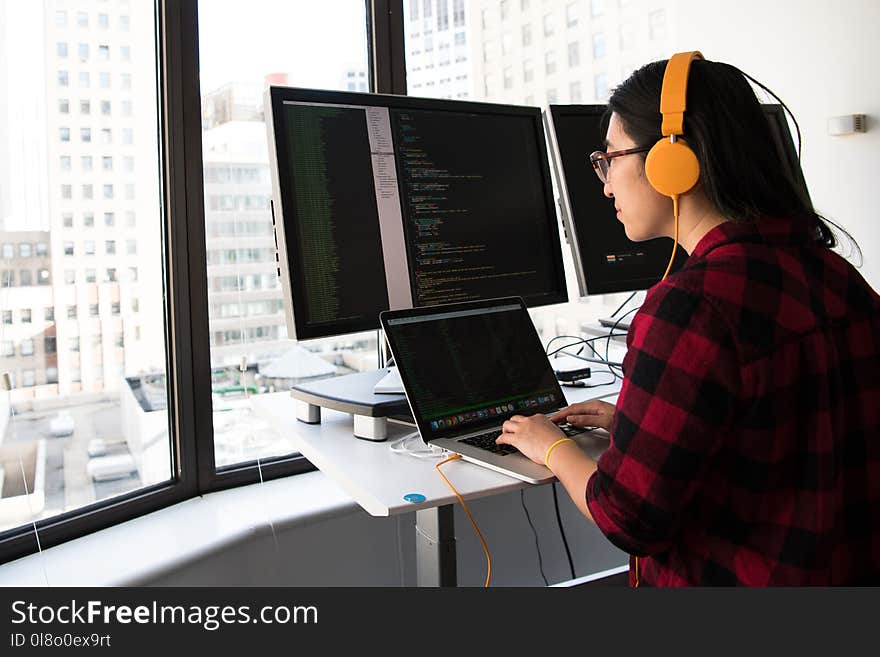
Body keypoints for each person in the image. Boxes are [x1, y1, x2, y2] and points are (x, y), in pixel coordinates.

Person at [496, 53, 880, 586]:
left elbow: (628, 517)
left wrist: (550, 445)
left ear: (672, 162)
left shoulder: (691, 306)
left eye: (609, 159)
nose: (605, 185)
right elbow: (790, 428)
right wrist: (639, 424)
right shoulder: (839, 275)